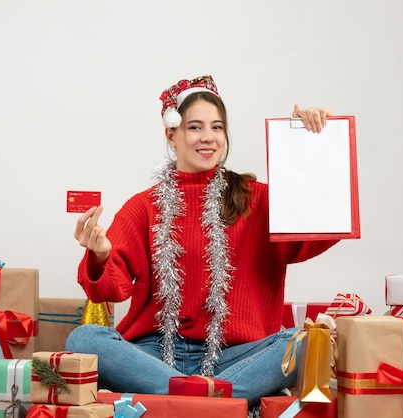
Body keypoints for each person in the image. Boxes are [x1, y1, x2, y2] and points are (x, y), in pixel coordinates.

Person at [66, 74, 338, 411]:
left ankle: (183, 402)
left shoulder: (256, 200)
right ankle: (212, 403)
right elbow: (110, 289)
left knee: (307, 343)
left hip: (235, 356)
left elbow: (318, 228)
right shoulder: (144, 206)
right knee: (84, 339)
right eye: (195, 127)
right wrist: (101, 255)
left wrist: (307, 144)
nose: (208, 138)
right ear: (171, 135)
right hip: (155, 355)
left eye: (217, 127)